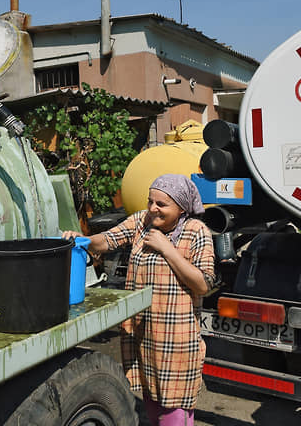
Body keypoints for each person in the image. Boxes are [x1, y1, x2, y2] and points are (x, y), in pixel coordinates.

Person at [63, 173, 215, 426]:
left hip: (176, 339)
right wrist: (81, 240)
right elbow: (106, 241)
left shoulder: (195, 231)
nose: (153, 209)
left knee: (173, 408)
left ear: (181, 207)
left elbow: (202, 284)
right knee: (152, 401)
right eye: (150, 201)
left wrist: (167, 249)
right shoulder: (141, 222)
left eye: (162, 205)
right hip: (144, 334)